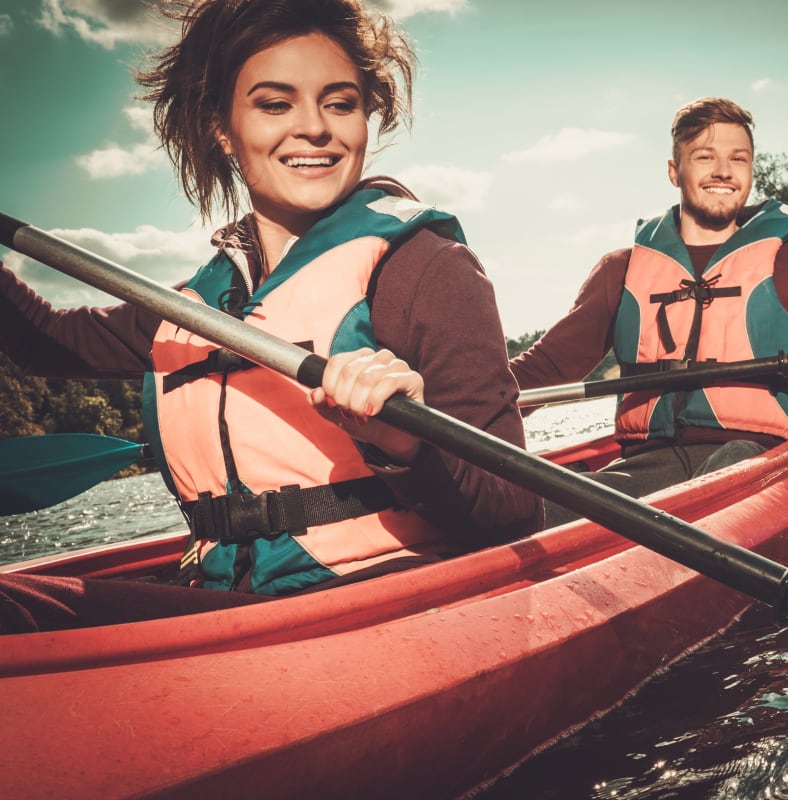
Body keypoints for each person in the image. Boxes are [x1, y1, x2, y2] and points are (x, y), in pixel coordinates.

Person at [0, 0, 540, 632]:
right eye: (275, 103)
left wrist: (404, 443)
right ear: (221, 128)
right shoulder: (196, 303)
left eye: (340, 102)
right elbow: (51, 344)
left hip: (381, 601)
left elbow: (513, 509)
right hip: (233, 601)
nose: (314, 128)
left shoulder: (426, 268)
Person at [510, 97, 788, 527]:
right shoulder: (621, 270)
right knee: (531, 517)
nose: (724, 170)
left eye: (738, 158)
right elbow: (544, 368)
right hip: (651, 466)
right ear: (674, 171)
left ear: (750, 170)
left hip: (761, 458)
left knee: (732, 461)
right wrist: (453, 397)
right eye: (705, 157)